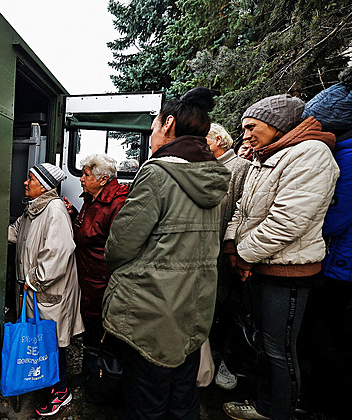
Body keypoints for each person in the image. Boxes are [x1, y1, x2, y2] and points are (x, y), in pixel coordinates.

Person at [102, 87, 231, 419]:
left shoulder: (158, 172)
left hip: (153, 311)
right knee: (182, 398)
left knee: (146, 401)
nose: (150, 136)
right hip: (194, 305)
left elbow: (121, 245)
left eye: (154, 127)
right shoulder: (215, 176)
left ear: (169, 123)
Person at [222, 94, 339, 420]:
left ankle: (278, 412)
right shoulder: (268, 156)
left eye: (251, 127)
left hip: (287, 272)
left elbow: (286, 222)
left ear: (277, 124)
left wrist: (243, 255)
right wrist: (232, 246)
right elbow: (243, 211)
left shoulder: (311, 156)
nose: (244, 135)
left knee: (280, 351)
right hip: (261, 266)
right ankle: (265, 406)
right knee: (265, 345)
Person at [296, 66, 352, 420]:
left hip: (342, 267)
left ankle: (324, 406)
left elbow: (337, 217)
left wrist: (304, 222)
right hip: (339, 263)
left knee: (328, 338)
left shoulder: (346, 155)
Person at [7, 163, 84, 417]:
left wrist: (34, 280)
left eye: (30, 178)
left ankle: (61, 391)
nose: (25, 183)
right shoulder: (33, 210)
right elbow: (16, 233)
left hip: (47, 292)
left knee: (53, 343)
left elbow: (58, 253)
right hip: (34, 290)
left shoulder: (55, 210)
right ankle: (48, 383)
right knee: (42, 340)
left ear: (44, 185)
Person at [62, 154, 128, 365]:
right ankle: (94, 370)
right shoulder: (92, 199)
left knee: (103, 334)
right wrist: (73, 215)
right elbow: (89, 231)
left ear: (102, 180)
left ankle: (103, 376)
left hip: (101, 281)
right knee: (92, 333)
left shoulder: (116, 205)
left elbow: (117, 247)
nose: (81, 179)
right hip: (90, 278)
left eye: (86, 175)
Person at [205, 123, 252, 391]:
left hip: (226, 250)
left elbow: (239, 211)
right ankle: (208, 356)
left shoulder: (238, 168)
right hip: (209, 250)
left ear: (219, 140)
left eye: (206, 140)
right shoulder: (207, 166)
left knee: (226, 307)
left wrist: (230, 246)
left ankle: (226, 360)